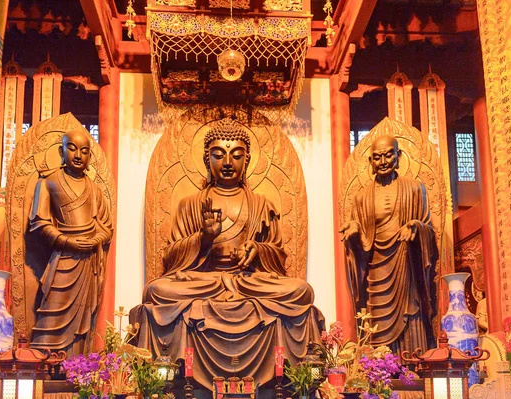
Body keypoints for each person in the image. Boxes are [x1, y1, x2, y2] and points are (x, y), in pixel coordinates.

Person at [131, 118, 323, 388]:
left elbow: (279, 258)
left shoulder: (261, 205)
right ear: (207, 159)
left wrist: (257, 250)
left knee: (300, 290)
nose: (228, 162)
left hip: (248, 282)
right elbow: (171, 258)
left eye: (237, 155)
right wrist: (204, 238)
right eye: (218, 154)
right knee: (157, 290)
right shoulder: (191, 204)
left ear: (247, 159)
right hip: (205, 281)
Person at [340, 134, 437, 353]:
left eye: (388, 155)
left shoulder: (414, 188)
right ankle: (378, 373)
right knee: (376, 321)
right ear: (370, 163)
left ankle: (412, 366)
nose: (383, 162)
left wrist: (415, 227)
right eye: (377, 157)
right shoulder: (361, 198)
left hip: (406, 266)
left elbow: (429, 230)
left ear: (398, 156)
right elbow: (359, 240)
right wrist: (355, 232)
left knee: (410, 313)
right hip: (375, 269)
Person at [28, 129, 113, 356]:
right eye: (72, 148)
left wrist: (96, 239)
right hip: (63, 258)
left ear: (89, 158)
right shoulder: (48, 183)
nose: (77, 155)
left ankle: (76, 365)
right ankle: (43, 361)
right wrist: (66, 241)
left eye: (84, 151)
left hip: (88, 262)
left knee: (82, 318)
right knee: (52, 309)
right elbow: (39, 222)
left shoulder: (94, 190)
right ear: (61, 151)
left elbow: (107, 227)